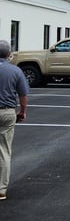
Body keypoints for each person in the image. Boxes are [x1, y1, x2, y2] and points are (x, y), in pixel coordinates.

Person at [0, 39, 29, 200]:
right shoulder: (15, 71)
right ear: (9, 54)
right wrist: (22, 112)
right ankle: (1, 189)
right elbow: (23, 94)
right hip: (6, 112)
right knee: (4, 151)